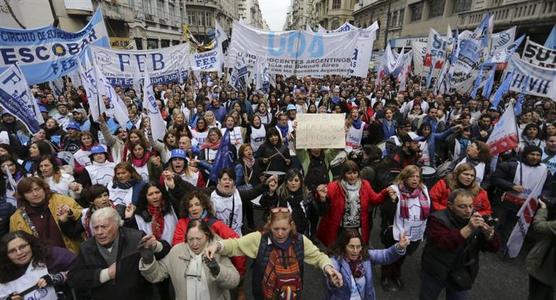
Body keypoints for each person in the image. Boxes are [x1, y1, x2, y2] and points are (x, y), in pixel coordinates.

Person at [204, 209, 343, 299]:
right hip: (265, 296)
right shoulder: (259, 239)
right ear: (270, 225)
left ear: (291, 226)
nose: (280, 233)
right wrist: (217, 245)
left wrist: (328, 268)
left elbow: (319, 257)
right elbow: (236, 245)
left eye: (284, 229)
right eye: (276, 229)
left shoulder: (300, 240)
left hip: (293, 295)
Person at [67, 207, 170, 300]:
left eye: (104, 227)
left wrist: (155, 246)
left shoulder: (136, 238)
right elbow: (73, 278)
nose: (99, 232)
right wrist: (105, 274)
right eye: (96, 228)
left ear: (117, 225)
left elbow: (166, 253)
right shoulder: (87, 248)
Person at [419, 189, 500, 300]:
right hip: (436, 271)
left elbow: (494, 248)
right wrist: (469, 228)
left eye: (471, 206)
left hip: (462, 273)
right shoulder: (437, 219)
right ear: (450, 205)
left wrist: (489, 236)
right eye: (462, 207)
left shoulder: (477, 219)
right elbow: (442, 243)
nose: (468, 211)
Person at [139, 219, 240, 300]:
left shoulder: (217, 251)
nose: (194, 244)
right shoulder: (176, 252)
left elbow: (234, 281)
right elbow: (157, 275)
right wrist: (148, 261)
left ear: (207, 236)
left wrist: (218, 271)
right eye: (191, 239)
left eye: (198, 239)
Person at [317, 160, 390, 247]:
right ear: (344, 174)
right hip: (340, 229)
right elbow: (322, 204)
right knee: (338, 252)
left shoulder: (365, 185)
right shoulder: (334, 186)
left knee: (354, 252)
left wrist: (386, 192)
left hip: (357, 229)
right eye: (349, 173)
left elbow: (375, 199)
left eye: (355, 173)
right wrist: (320, 196)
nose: (352, 176)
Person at [380, 165, 430, 291]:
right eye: (411, 176)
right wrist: (393, 201)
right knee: (390, 255)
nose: (415, 179)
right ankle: (385, 276)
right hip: (395, 232)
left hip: (413, 233)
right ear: (404, 177)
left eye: (417, 176)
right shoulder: (394, 190)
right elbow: (385, 211)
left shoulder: (423, 190)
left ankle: (396, 275)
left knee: (402, 256)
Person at [325, 229, 410, 300]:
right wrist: (332, 281)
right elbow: (331, 279)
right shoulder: (336, 260)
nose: (355, 251)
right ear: (344, 246)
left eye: (358, 246)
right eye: (351, 246)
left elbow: (385, 255)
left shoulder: (366, 255)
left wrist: (400, 246)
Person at [10, 177, 83, 253]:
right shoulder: (16, 218)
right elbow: (17, 243)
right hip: (42, 261)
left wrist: (70, 213)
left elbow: (83, 215)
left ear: (44, 188)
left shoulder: (61, 200)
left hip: (72, 255)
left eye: (37, 189)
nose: (35, 194)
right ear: (23, 196)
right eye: (29, 192)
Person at [0, 231, 75, 300]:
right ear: (5, 255)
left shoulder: (52, 255)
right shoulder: (3, 275)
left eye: (23, 247)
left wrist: (58, 277)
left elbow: (80, 266)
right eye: (12, 251)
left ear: (31, 245)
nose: (19, 253)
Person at [261, 168, 319, 235]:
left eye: (296, 180)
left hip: (302, 233)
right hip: (282, 233)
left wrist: (322, 199)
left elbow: (316, 215)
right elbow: (264, 205)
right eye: (290, 180)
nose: (293, 183)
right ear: (286, 182)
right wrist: (271, 192)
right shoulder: (279, 195)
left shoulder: (307, 196)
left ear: (301, 182)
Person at [526, 192, 556, 300]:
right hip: (550, 272)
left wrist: (543, 209)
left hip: (545, 265)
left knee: (537, 294)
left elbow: (539, 226)